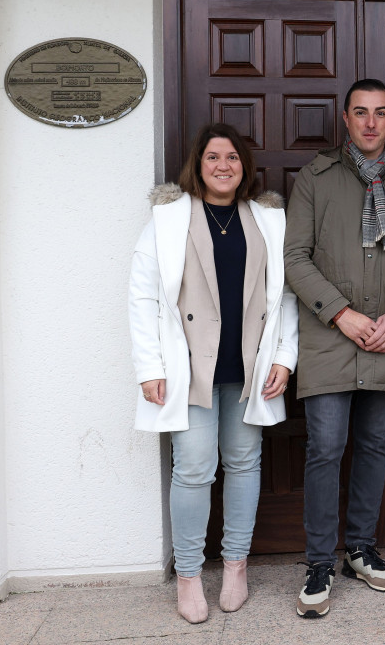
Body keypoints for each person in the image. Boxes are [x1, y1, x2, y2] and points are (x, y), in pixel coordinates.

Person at [128, 122, 299, 624]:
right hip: (189, 368)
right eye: (212, 158)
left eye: (232, 157)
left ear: (244, 165)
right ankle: (187, 575)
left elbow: (284, 294)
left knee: (245, 464)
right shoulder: (167, 219)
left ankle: (235, 566)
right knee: (195, 468)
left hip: (250, 365)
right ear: (198, 166)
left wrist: (285, 358)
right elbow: (142, 297)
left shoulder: (267, 219)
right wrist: (149, 367)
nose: (223, 166)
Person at [284, 78, 385, 618]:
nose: (370, 122)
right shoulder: (315, 179)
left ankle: (360, 548)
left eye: (380, 113)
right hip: (331, 338)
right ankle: (319, 561)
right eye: (360, 113)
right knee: (325, 446)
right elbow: (295, 259)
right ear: (344, 119)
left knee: (373, 446)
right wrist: (342, 314)